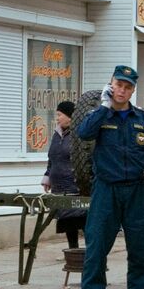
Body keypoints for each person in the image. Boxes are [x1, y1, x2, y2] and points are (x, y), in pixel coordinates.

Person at [75, 65, 144, 289]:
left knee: (139, 247)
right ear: (111, 84)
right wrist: (103, 107)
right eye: (118, 85)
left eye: (127, 87)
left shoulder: (143, 118)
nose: (122, 90)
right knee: (97, 246)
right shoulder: (100, 115)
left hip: (136, 189)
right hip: (107, 189)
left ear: (133, 90)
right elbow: (83, 134)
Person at [41, 100, 86, 249]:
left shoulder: (79, 134)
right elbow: (52, 158)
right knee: (68, 221)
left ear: (70, 116)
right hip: (59, 186)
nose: (58, 118)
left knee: (82, 219)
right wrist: (47, 178)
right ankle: (73, 250)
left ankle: (93, 253)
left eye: (60, 115)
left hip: (75, 186)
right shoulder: (57, 134)